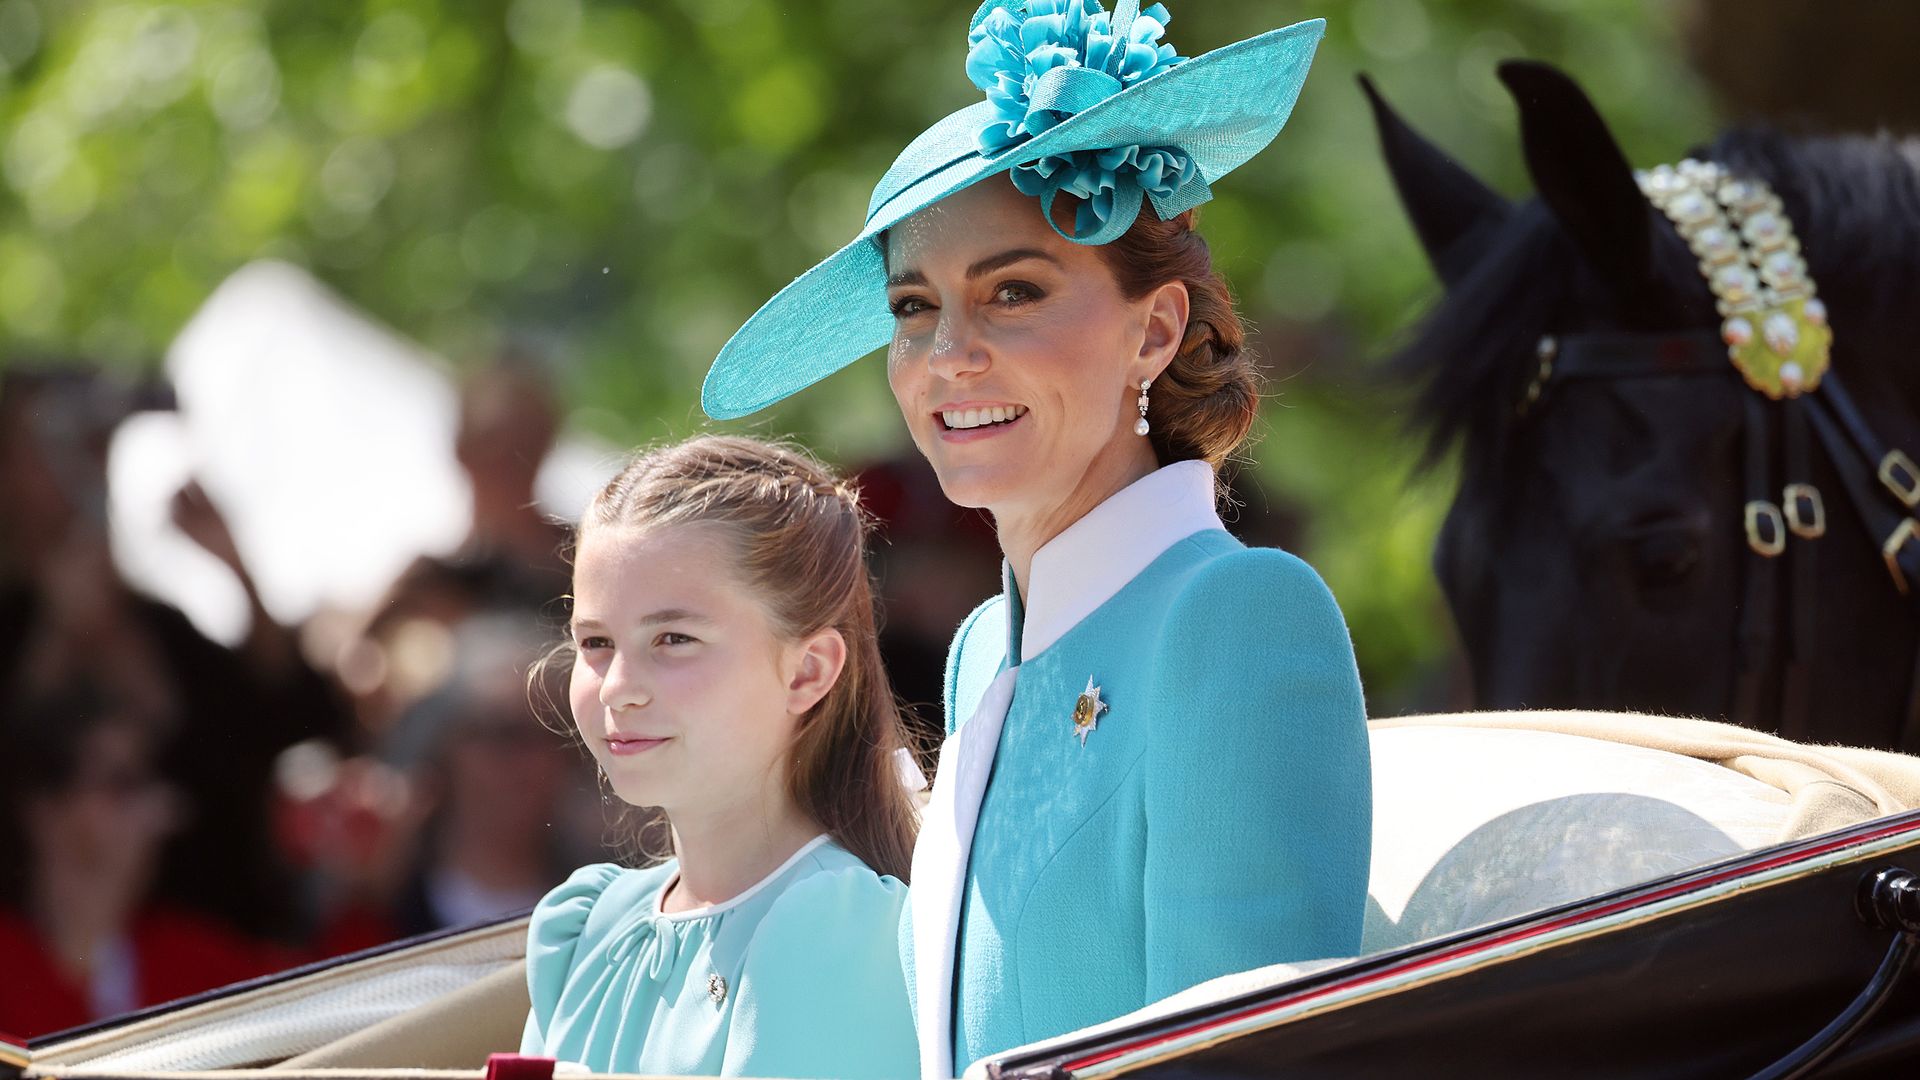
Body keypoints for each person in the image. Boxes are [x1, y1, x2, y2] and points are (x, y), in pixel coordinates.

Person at [701, 4, 1370, 1076]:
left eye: (1013, 291)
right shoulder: (979, 653)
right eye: (914, 309)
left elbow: (1243, 1062)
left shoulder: (1241, 617)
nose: (947, 354)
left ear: (1151, 331)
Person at [518, 436, 920, 1078]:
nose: (619, 686)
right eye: (595, 641)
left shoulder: (834, 934)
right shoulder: (586, 928)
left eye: (675, 638)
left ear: (807, 671)